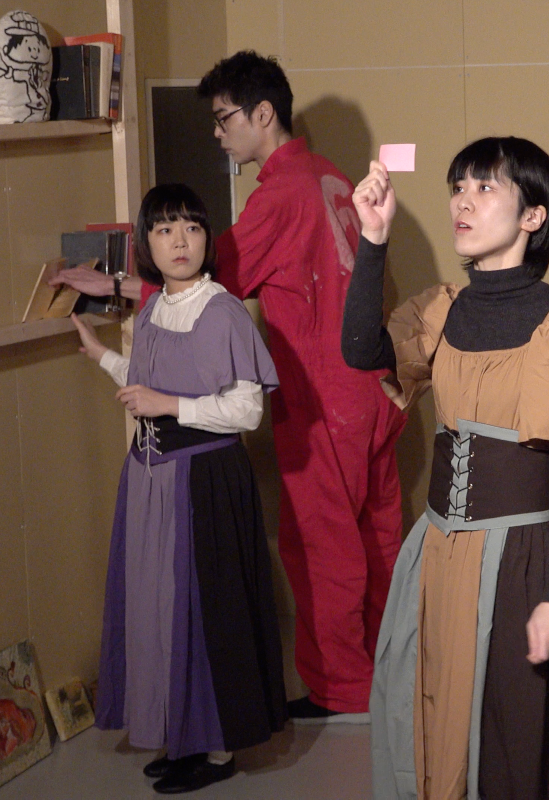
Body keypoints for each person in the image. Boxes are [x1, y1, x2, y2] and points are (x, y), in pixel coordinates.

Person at [54, 51, 406, 723]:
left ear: (262, 114)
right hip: (379, 388)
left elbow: (206, 281)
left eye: (224, 119)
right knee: (378, 537)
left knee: (322, 546)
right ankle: (390, 673)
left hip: (326, 397)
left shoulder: (280, 193)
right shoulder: (332, 177)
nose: (218, 134)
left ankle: (344, 690)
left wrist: (118, 285)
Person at [343, 136, 549, 799]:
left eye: (485, 188)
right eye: (457, 187)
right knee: (433, 716)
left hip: (522, 560)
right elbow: (360, 348)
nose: (463, 202)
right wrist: (374, 239)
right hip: (439, 554)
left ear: (533, 215)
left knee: (514, 734)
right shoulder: (442, 307)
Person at [73, 184, 286, 794]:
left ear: (206, 239)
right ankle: (182, 736)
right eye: (164, 229)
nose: (180, 241)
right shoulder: (152, 310)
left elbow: (247, 410)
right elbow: (145, 382)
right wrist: (101, 356)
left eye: (192, 227)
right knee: (160, 610)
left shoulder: (222, 311)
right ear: (146, 243)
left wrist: (167, 405)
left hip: (204, 480)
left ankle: (216, 750)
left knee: (204, 612)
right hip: (150, 481)